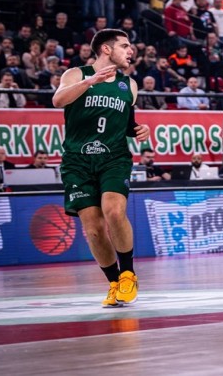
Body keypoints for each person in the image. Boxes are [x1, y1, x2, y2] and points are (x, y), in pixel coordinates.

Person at [52, 28, 150, 308]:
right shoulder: (76, 74)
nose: (130, 51)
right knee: (93, 228)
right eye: (125, 46)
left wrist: (138, 129)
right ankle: (114, 282)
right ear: (106, 49)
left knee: (114, 211)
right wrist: (90, 82)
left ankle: (128, 274)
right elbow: (58, 101)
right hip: (78, 160)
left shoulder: (129, 85)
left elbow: (126, 122)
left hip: (113, 157)